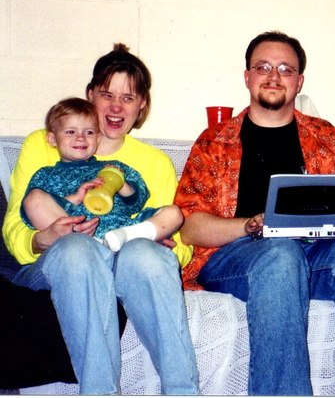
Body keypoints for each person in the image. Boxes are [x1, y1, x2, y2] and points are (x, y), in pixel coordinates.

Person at [174, 30, 335, 396]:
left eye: (285, 69)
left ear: (298, 82)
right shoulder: (214, 140)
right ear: (247, 77)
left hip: (311, 252)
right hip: (234, 257)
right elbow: (190, 227)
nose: (274, 76)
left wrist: (323, 227)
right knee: (280, 254)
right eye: (263, 67)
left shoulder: (323, 135)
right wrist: (248, 226)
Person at [2, 43, 199, 395]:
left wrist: (165, 243)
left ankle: (182, 390)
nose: (115, 106)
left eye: (128, 97)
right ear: (90, 95)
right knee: (79, 249)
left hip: (124, 249)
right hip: (60, 258)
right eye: (107, 94)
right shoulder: (44, 143)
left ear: (142, 106)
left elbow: (181, 249)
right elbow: (17, 224)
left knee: (148, 254)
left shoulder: (152, 162)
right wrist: (43, 237)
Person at [22, 97, 184, 252]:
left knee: (174, 213)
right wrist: (75, 198)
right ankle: (90, 245)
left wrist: (121, 184)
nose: (80, 138)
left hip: (123, 230)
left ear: (98, 138)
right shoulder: (47, 174)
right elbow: (29, 215)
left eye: (89, 132)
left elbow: (138, 201)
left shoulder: (114, 167)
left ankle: (131, 238)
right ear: (52, 139)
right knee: (33, 198)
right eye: (71, 132)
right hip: (79, 233)